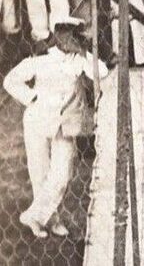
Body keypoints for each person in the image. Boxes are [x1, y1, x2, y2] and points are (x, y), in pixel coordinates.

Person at [4, 16, 108, 238]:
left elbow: (103, 72)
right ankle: (49, 221)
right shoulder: (41, 58)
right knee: (39, 173)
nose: (73, 40)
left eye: (76, 36)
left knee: (62, 174)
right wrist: (31, 97)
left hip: (66, 124)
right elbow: (10, 81)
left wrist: (86, 54)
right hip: (38, 120)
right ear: (59, 36)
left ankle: (33, 215)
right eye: (69, 35)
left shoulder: (79, 60)